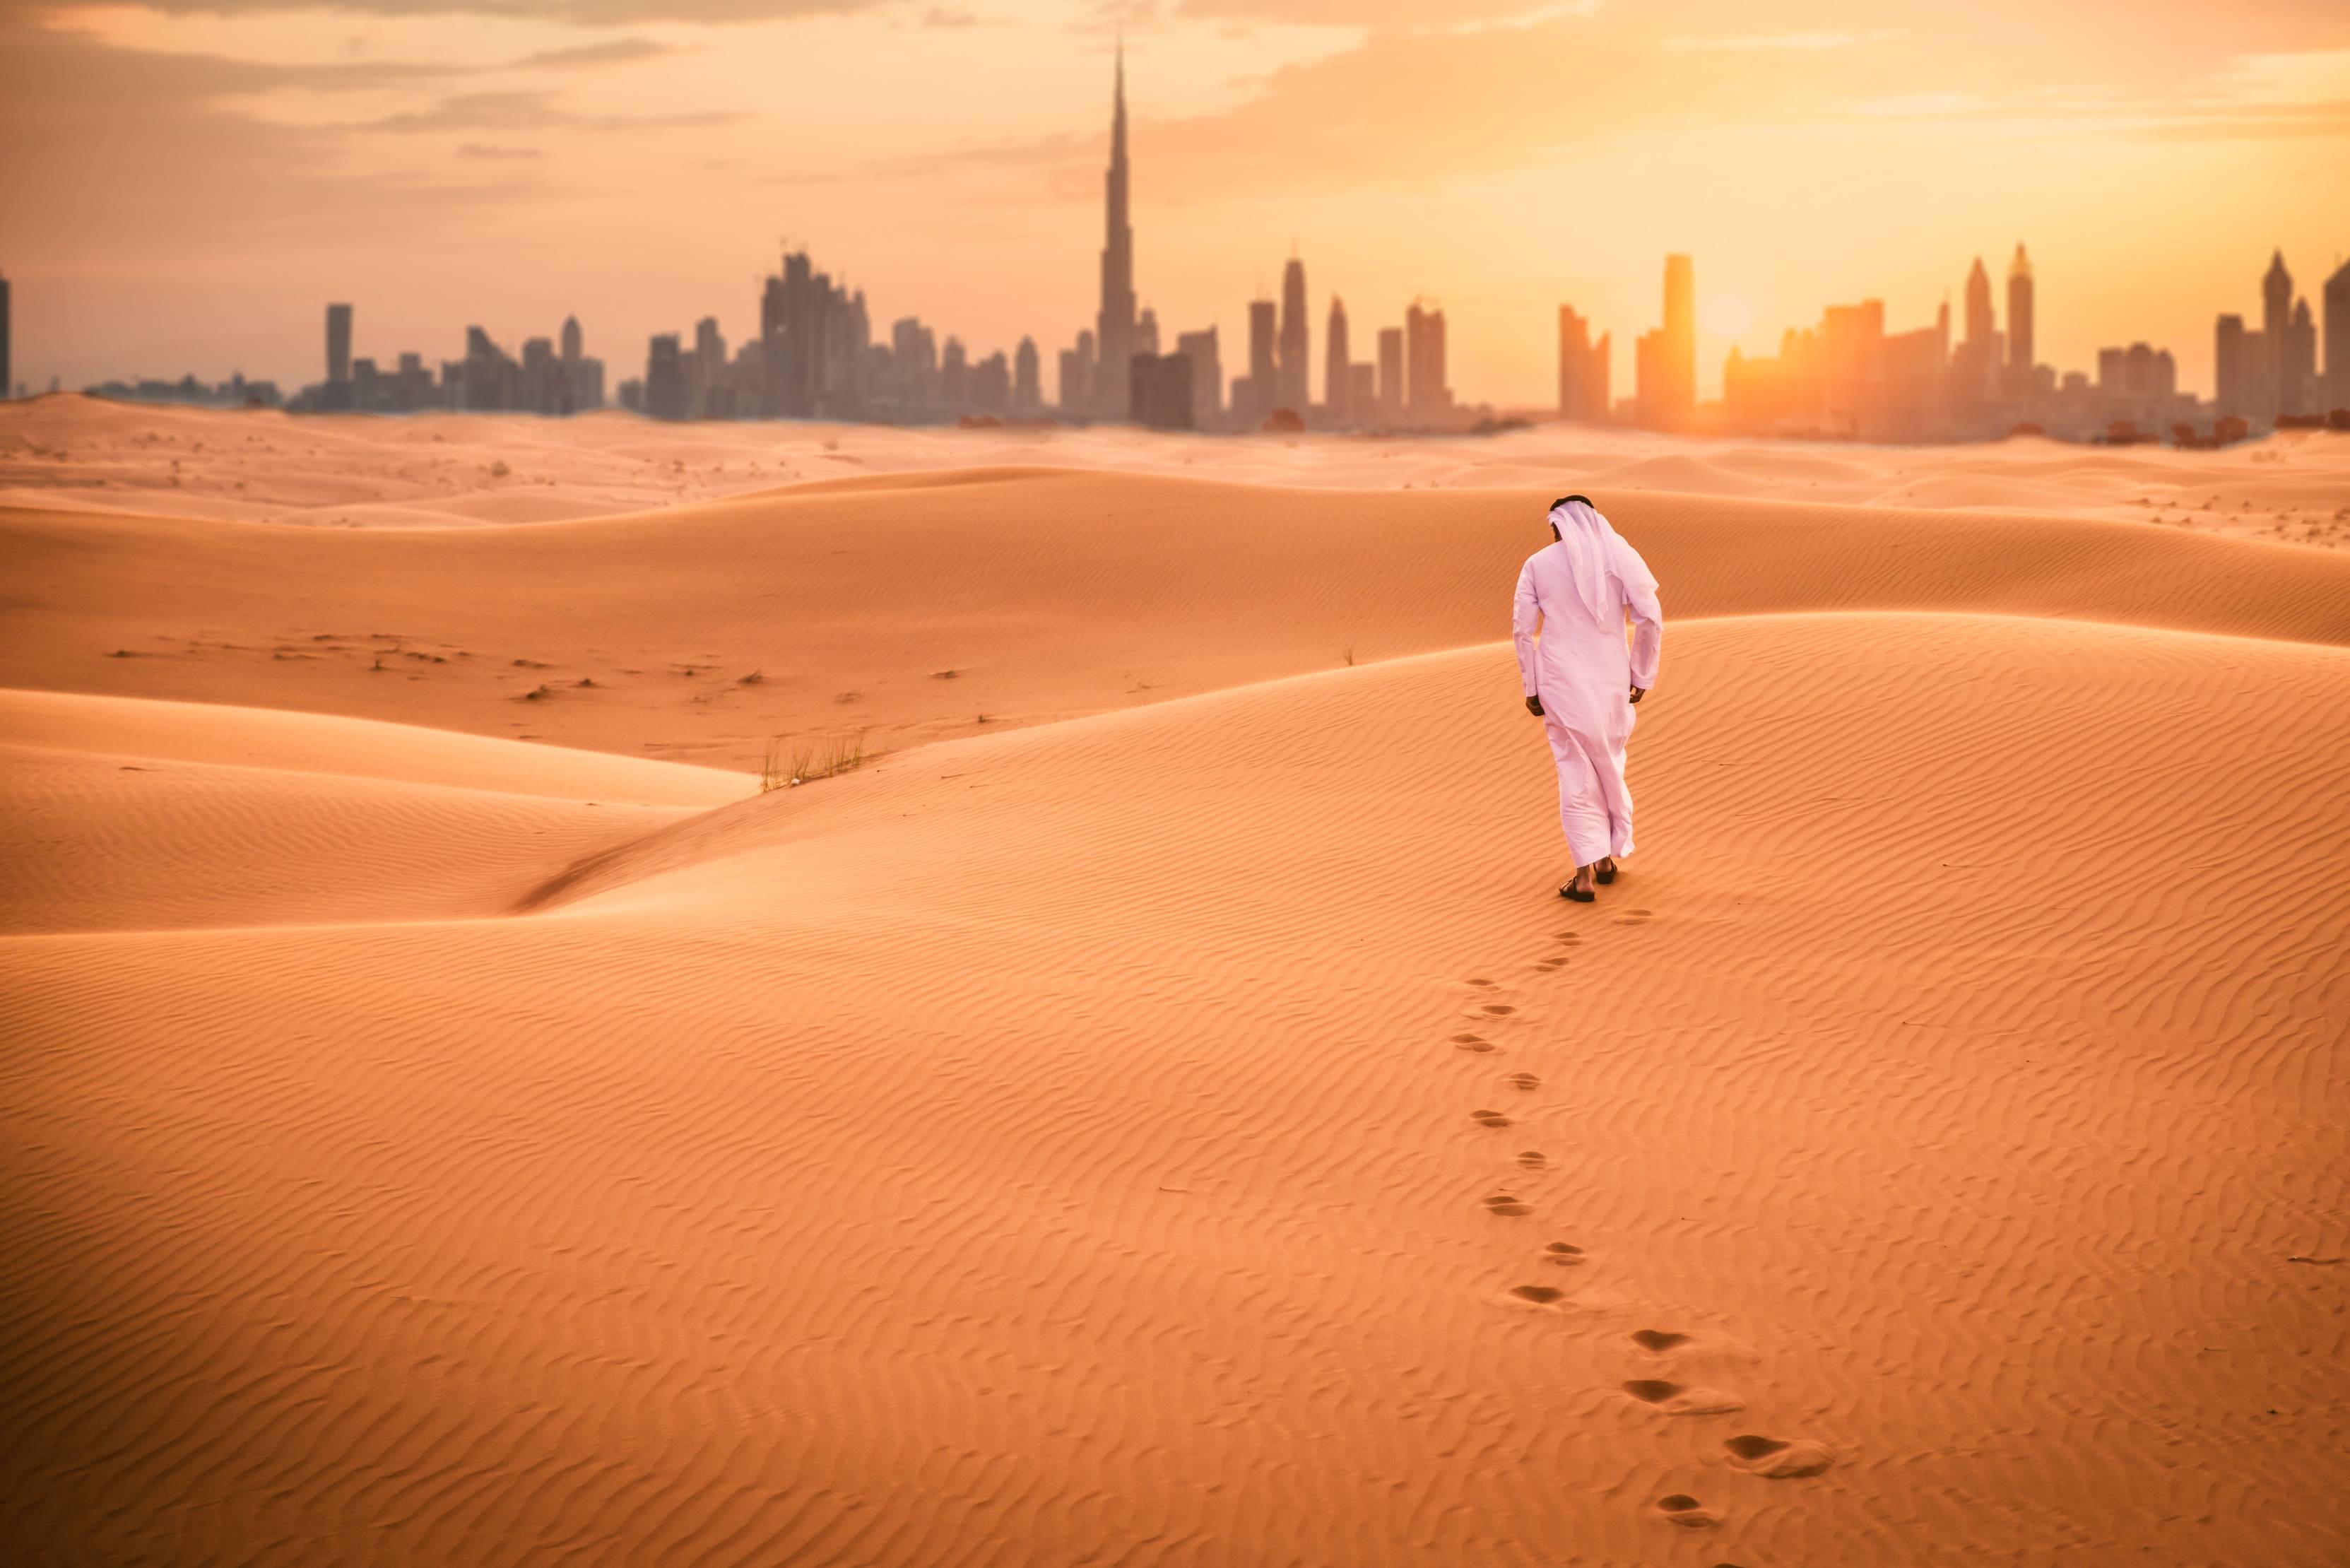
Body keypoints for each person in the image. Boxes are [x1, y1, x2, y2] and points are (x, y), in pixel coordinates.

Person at [1511, 495, 1663, 902]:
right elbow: (1650, 616)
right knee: (1607, 758)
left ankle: (1584, 874)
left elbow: (1522, 631)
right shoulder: (1620, 556)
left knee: (1574, 767)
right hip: (1610, 677)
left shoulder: (1537, 564)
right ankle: (1606, 860)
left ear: (1556, 525)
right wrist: (1642, 672)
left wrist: (1530, 686)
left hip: (1560, 679)